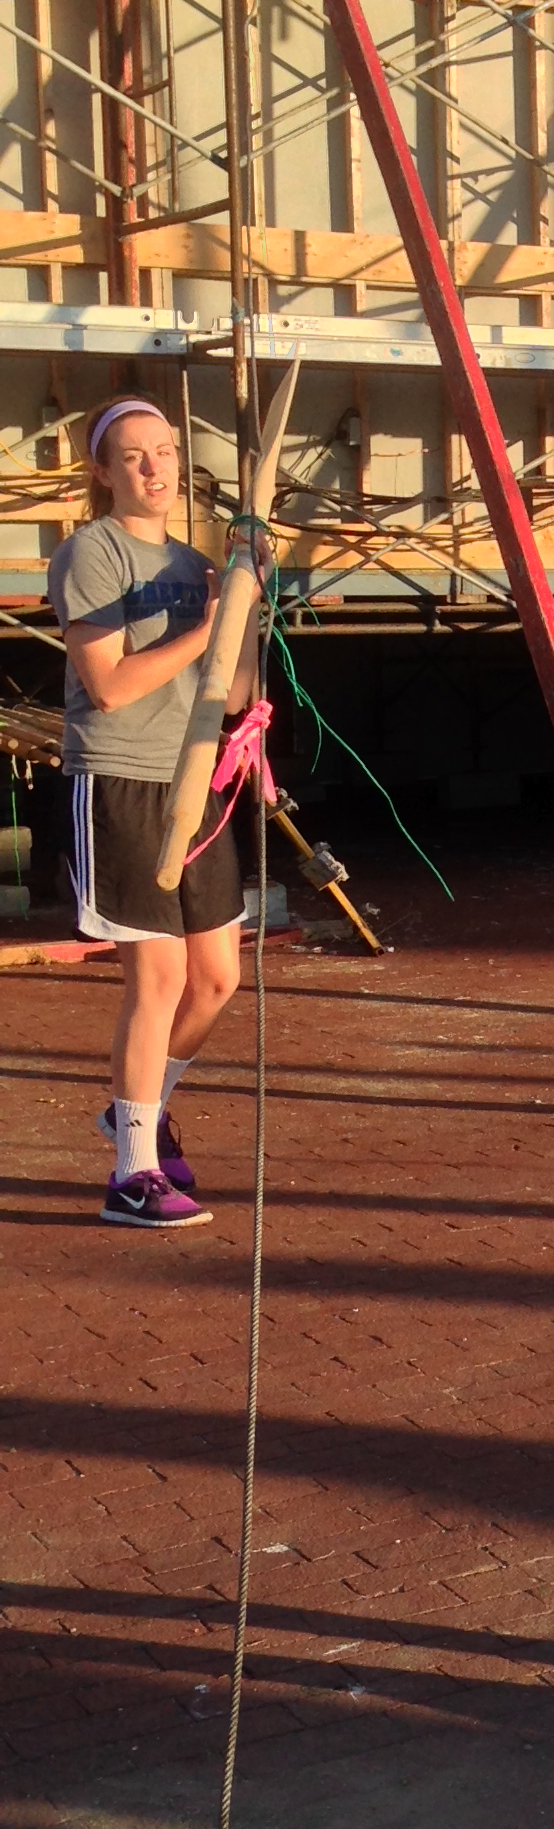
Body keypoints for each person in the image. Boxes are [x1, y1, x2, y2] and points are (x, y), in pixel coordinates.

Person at [47, 397, 263, 1231]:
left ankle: (134, 1110)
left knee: (216, 979)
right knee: (160, 977)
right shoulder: (90, 553)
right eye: (134, 455)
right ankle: (131, 1174)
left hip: (194, 777)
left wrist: (245, 604)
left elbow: (233, 692)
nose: (154, 467)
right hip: (121, 779)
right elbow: (109, 685)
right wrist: (205, 629)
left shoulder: (197, 563)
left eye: (166, 451)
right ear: (104, 471)